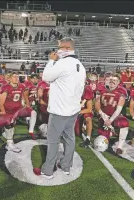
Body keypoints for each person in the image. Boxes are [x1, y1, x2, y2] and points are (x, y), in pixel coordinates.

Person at [40, 37, 86, 179]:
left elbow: (45, 77)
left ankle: (48, 170)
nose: (57, 50)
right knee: (69, 138)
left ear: (66, 48)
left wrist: (51, 60)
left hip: (60, 110)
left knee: (53, 140)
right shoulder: (81, 65)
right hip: (73, 109)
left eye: (59, 47)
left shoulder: (63, 63)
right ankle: (66, 166)